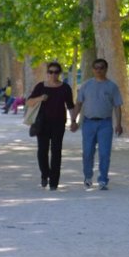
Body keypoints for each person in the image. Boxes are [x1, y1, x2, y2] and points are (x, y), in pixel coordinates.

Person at [27, 62, 78, 191]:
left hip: (59, 123)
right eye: (50, 72)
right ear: (47, 73)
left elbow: (70, 106)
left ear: (59, 73)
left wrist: (73, 121)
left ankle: (54, 181)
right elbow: (29, 102)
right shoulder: (40, 87)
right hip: (42, 123)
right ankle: (45, 174)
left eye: (56, 72)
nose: (53, 74)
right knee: (42, 151)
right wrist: (40, 98)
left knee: (56, 152)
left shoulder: (65, 88)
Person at [76, 58, 123, 190]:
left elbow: (117, 106)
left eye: (101, 67)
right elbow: (78, 103)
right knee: (87, 152)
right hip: (88, 123)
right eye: (96, 67)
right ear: (93, 69)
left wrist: (118, 124)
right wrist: (74, 120)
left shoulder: (112, 87)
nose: (98, 70)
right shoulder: (86, 85)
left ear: (106, 69)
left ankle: (103, 179)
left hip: (105, 123)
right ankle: (88, 177)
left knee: (104, 153)